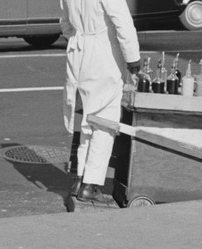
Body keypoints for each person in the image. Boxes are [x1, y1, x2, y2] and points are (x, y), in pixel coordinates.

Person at [60, 0, 141, 207]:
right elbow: (122, 21)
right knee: (105, 121)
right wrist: (133, 60)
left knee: (88, 118)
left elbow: (65, 23)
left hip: (78, 51)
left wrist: (80, 38)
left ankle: (80, 179)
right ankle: (92, 184)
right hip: (103, 53)